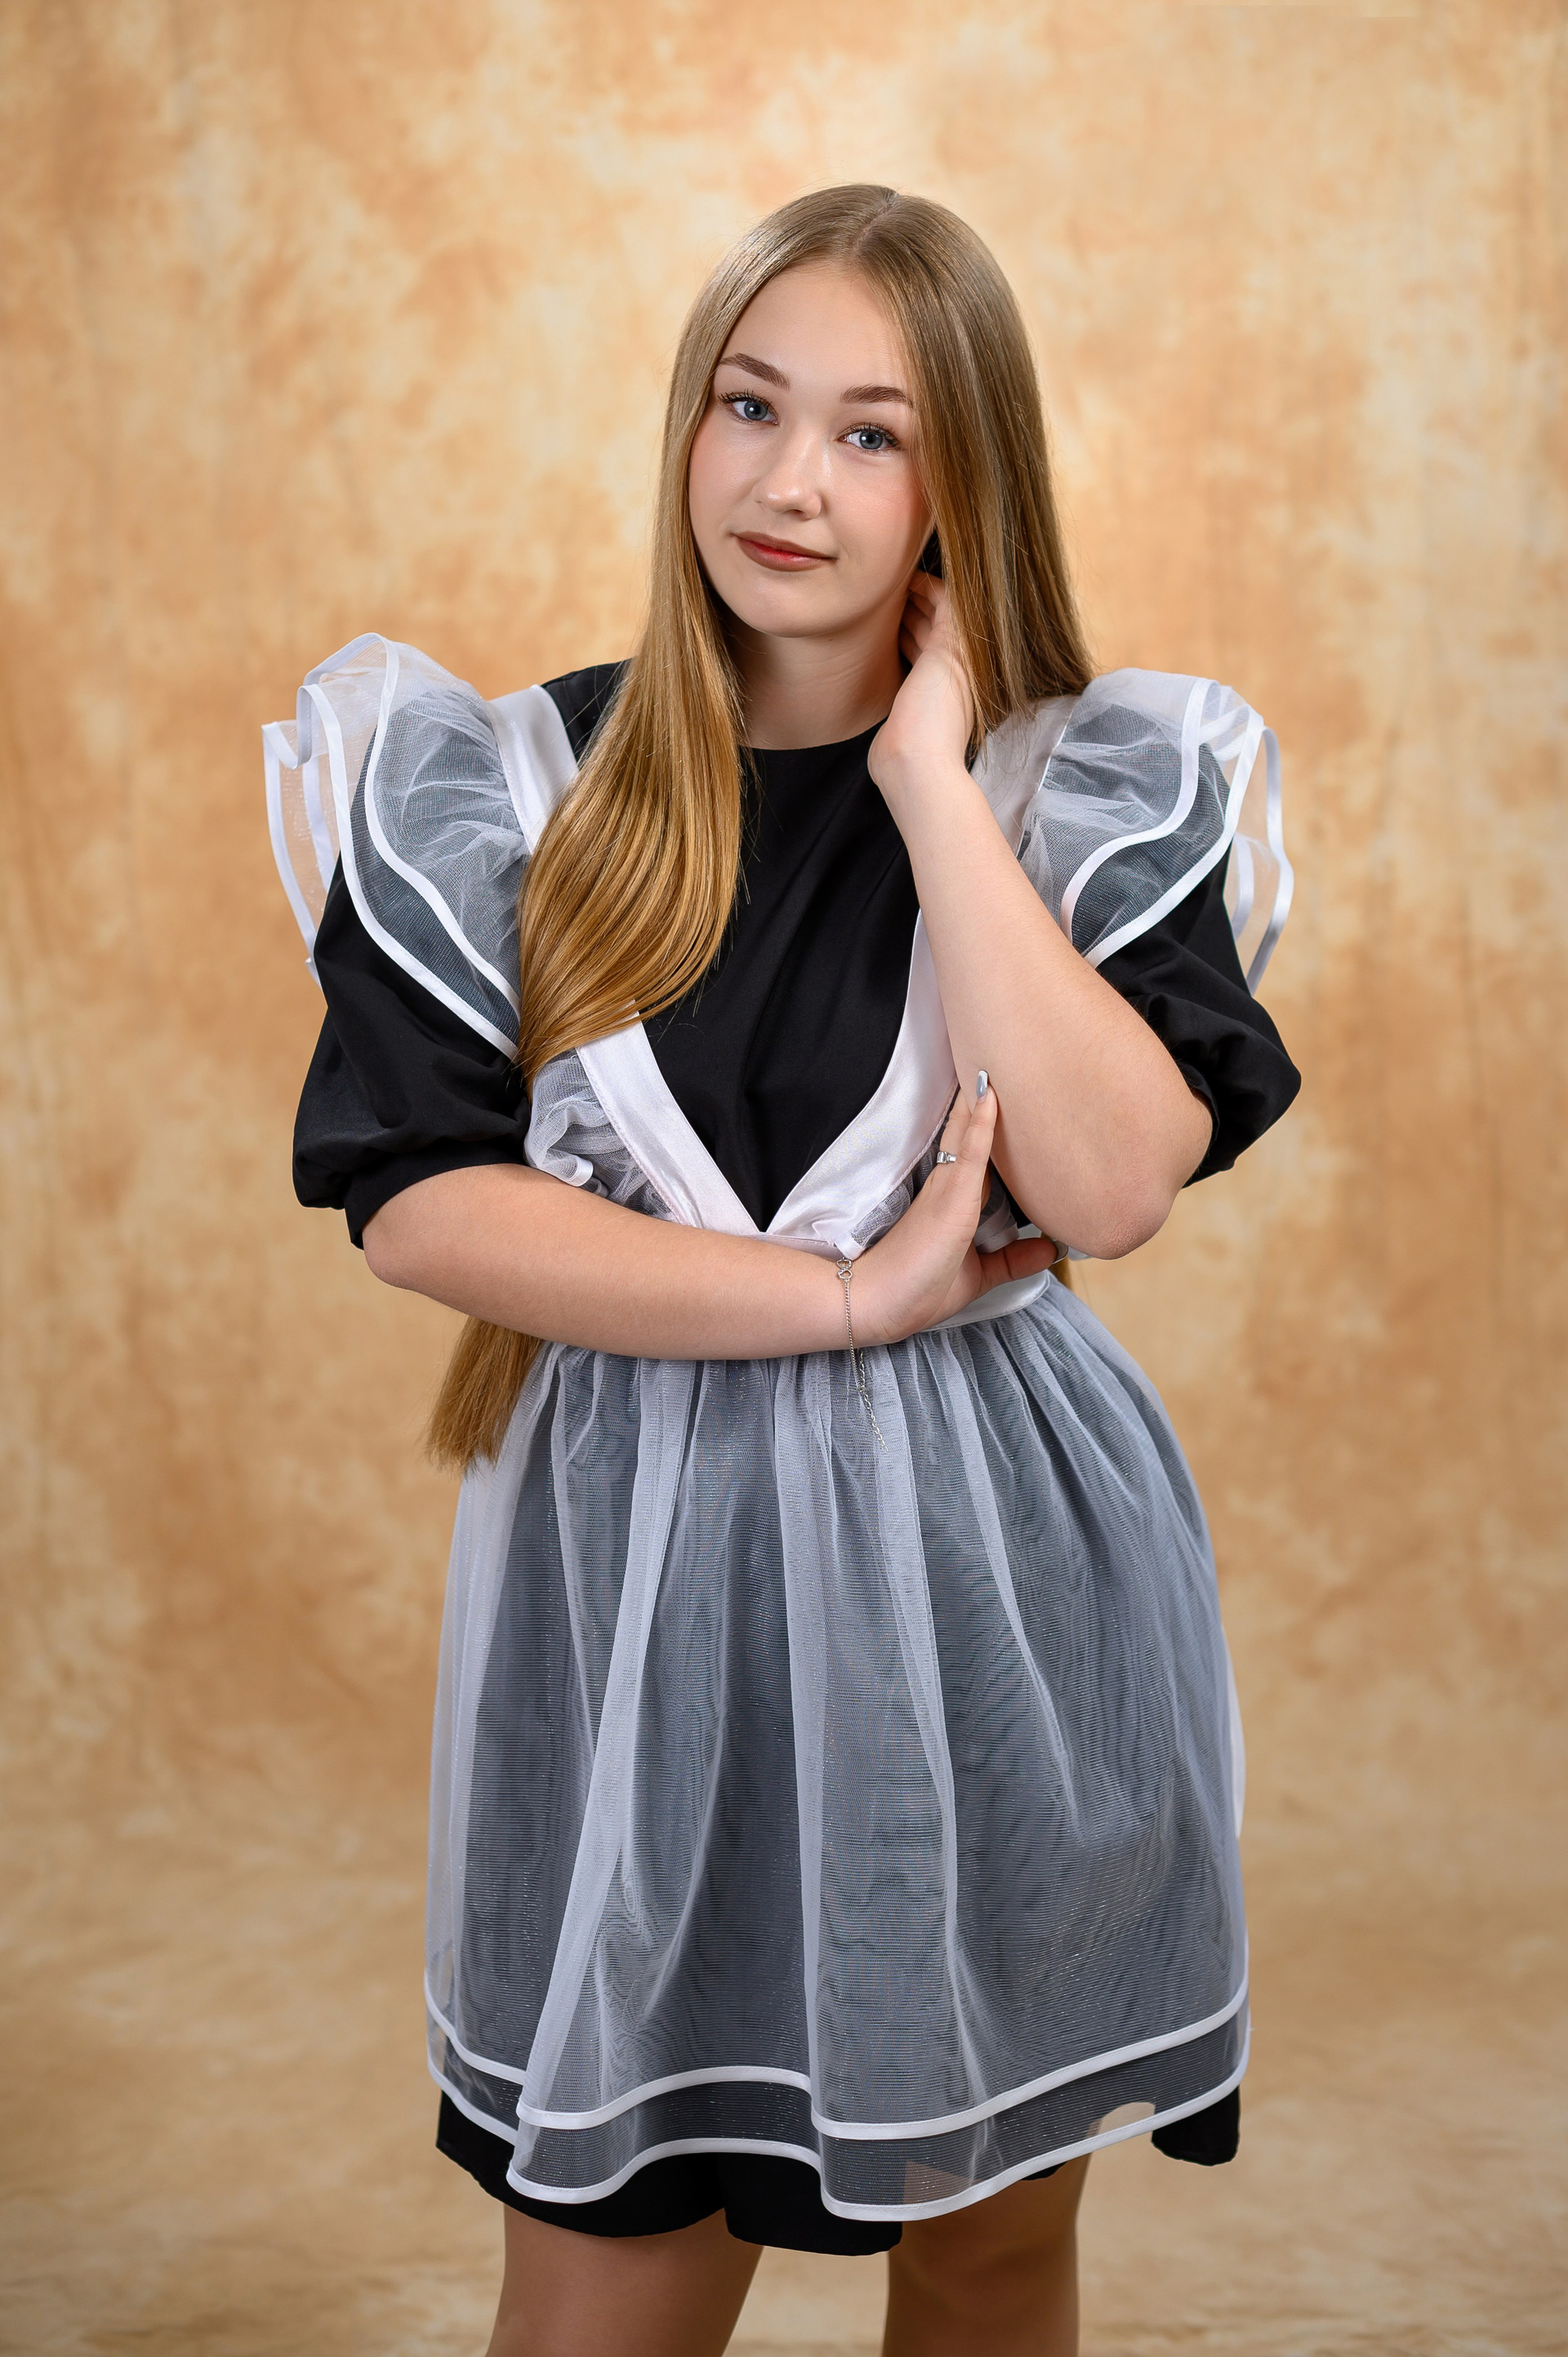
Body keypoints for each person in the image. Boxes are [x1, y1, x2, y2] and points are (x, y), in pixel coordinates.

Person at [265, 185, 1298, 2357]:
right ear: (688, 425)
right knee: (608, 2269)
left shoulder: (1074, 789)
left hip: (997, 1601)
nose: (789, 481)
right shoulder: (512, 790)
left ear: (962, 487)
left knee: (989, 2245)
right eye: (750, 406)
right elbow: (419, 1198)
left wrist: (930, 779)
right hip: (635, 1600)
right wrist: (837, 1303)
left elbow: (1114, 1181)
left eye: (870, 433)